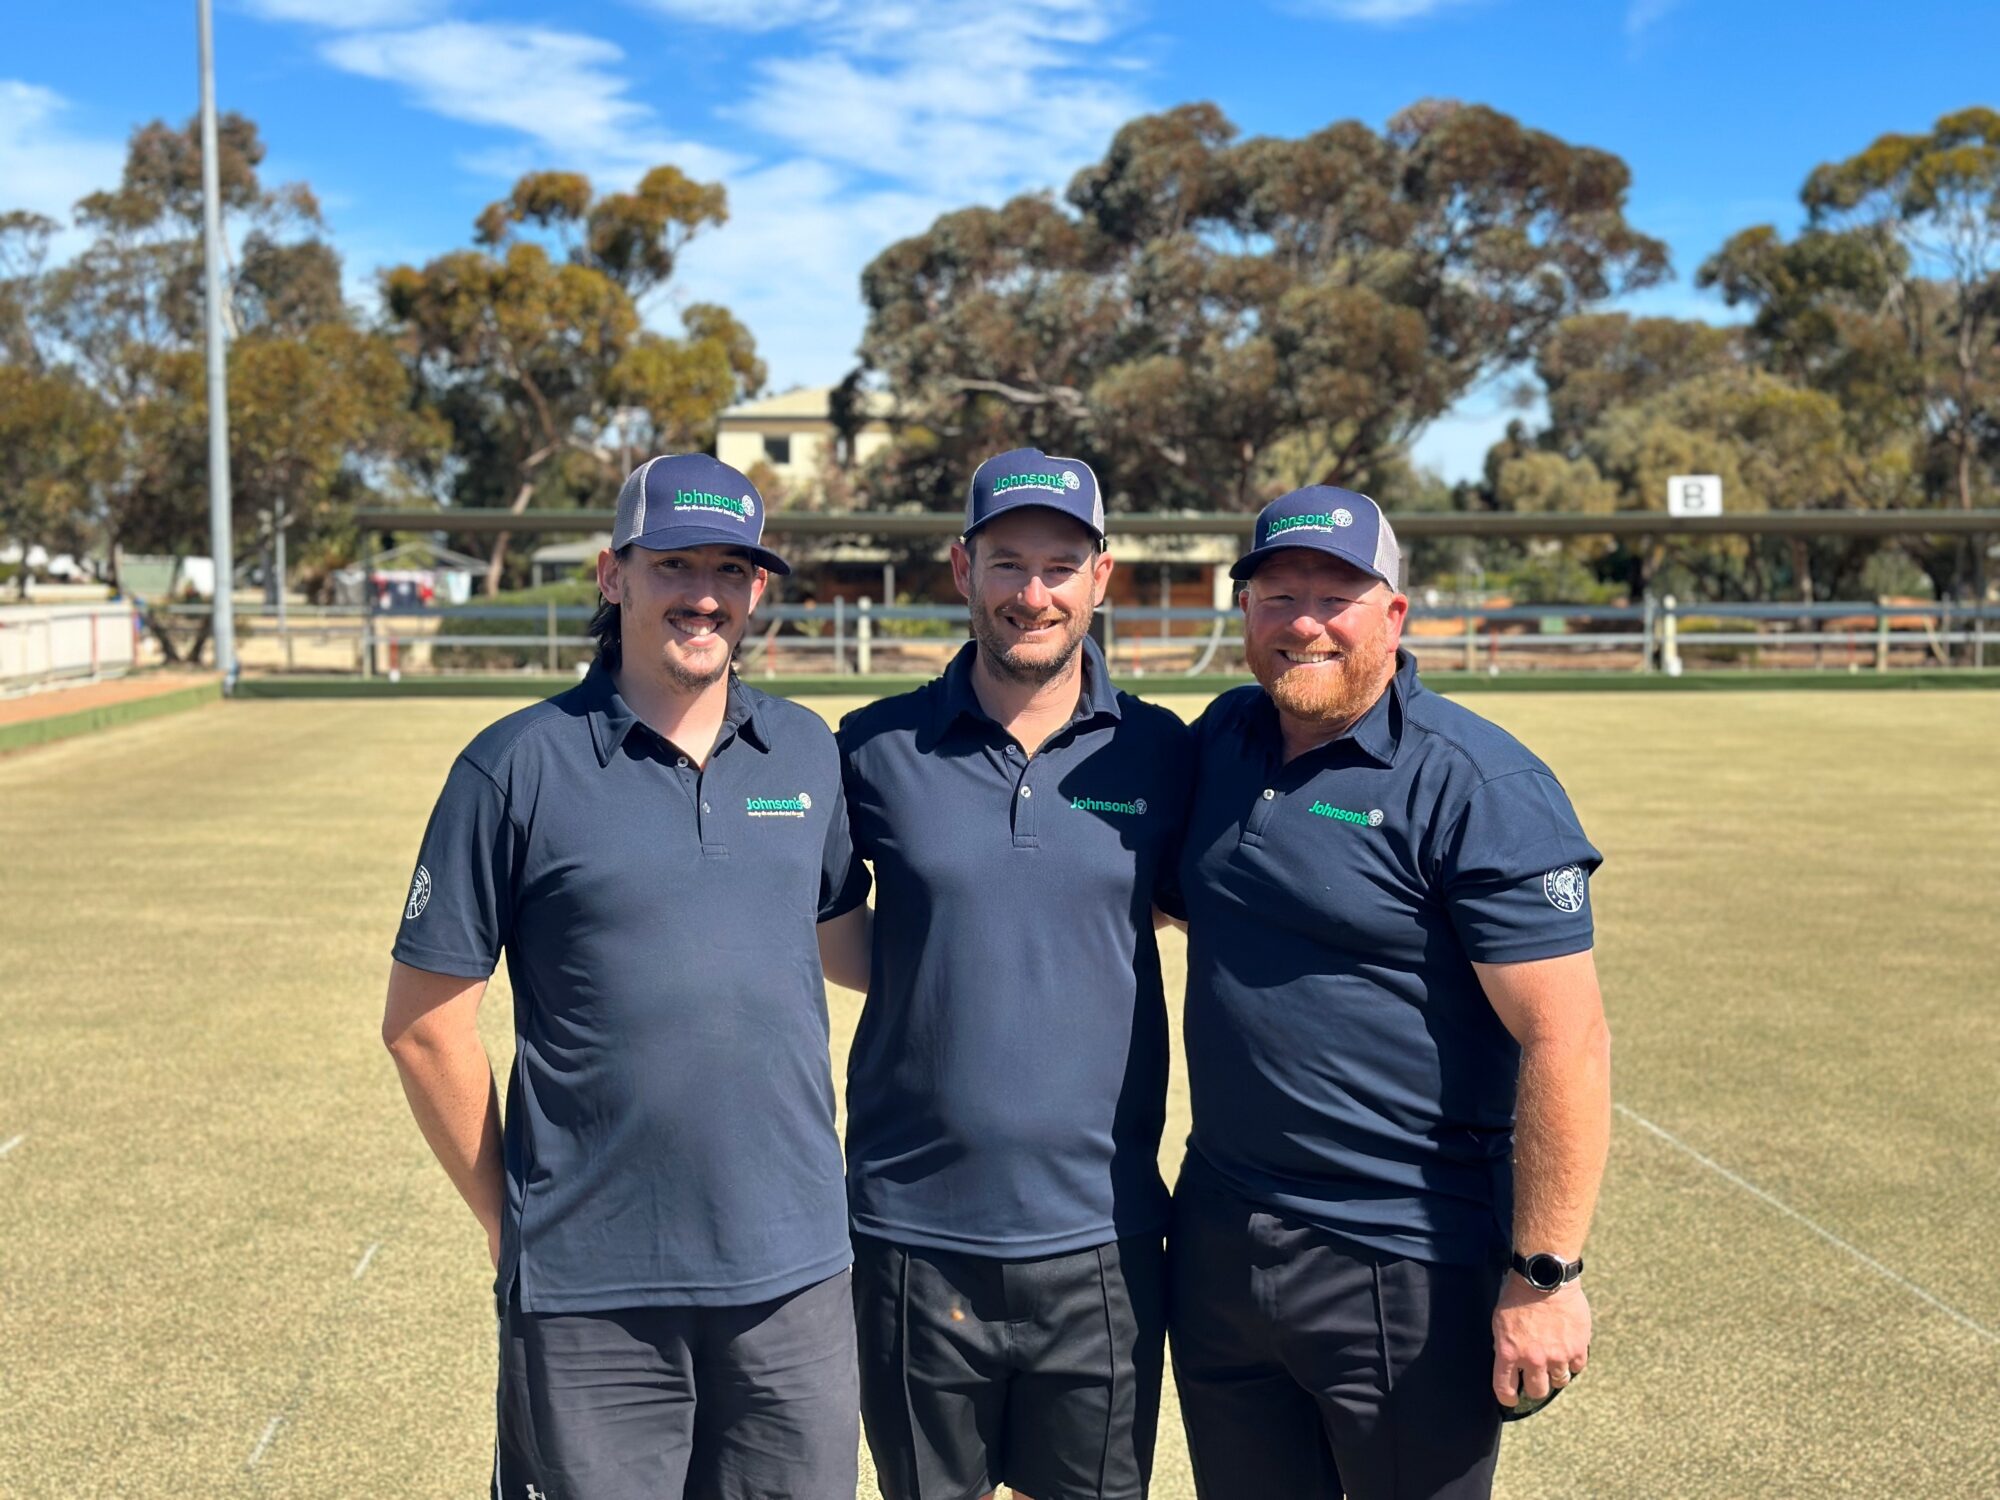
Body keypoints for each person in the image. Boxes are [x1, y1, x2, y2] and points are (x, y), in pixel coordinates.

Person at [381, 453, 871, 1500]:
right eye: (673, 564)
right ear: (612, 575)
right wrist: (514, 1230)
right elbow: (424, 1027)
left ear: (757, 588)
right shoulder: (512, 766)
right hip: (589, 1291)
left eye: (730, 569)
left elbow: (840, 942)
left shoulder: (804, 753)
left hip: (794, 1277)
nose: (703, 594)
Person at [1168, 486, 1610, 1500]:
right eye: (1278, 595)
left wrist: (1544, 1275)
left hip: (1402, 1258)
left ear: (1394, 616)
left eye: (1339, 596)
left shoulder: (1476, 784)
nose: (1305, 623)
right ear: (1244, 613)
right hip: (1219, 1237)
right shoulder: (1222, 741)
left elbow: (1566, 1042)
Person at [833, 448, 1192, 1500]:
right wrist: (942, 976)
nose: (1030, 594)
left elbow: (1187, 902)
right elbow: (820, 920)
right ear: (961, 570)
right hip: (910, 1233)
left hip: (1104, 1237)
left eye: (1057, 565)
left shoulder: (1163, 752)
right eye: (1005, 563)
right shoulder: (870, 748)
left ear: (1101, 576)